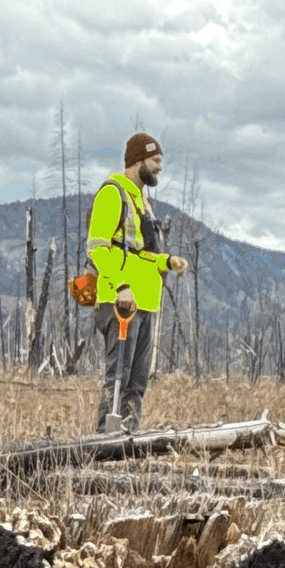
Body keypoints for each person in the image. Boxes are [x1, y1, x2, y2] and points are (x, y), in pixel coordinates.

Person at [84, 131, 187, 437]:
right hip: (122, 302)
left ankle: (127, 443)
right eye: (155, 161)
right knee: (119, 377)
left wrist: (167, 261)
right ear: (137, 160)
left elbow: (141, 253)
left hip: (145, 301)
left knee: (137, 382)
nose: (159, 167)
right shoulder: (112, 193)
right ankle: (105, 443)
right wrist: (120, 287)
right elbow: (97, 247)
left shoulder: (140, 199)